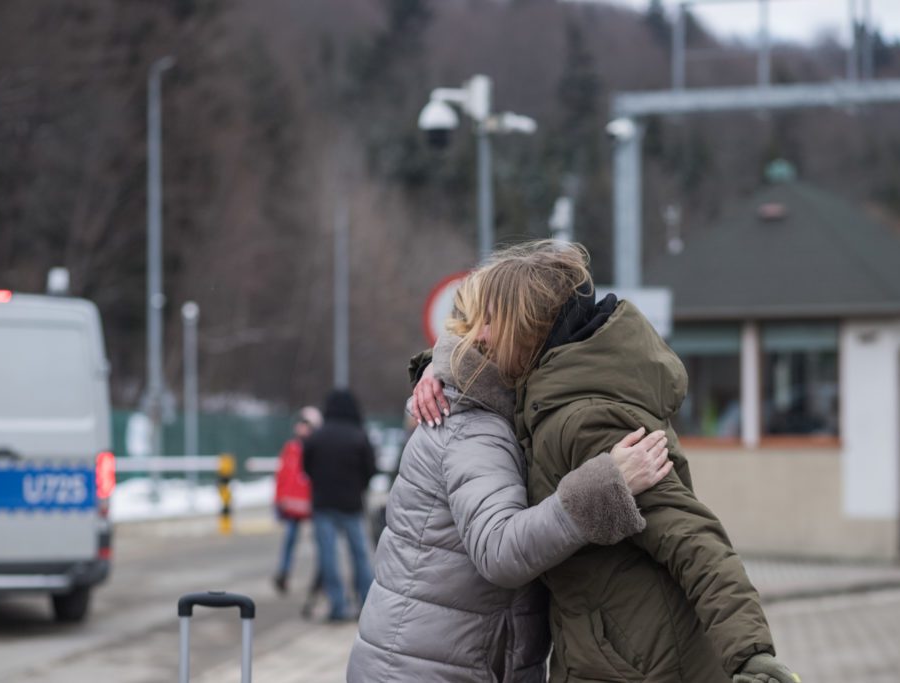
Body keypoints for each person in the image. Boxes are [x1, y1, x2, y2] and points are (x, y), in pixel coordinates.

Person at [410, 240, 800, 683]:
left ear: (529, 326)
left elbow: (692, 537)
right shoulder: (547, 395)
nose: (477, 336)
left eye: (490, 322)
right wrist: (437, 369)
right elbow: (488, 376)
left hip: (647, 664)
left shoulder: (585, 418)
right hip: (602, 655)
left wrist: (752, 658)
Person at [346, 270, 674, 682]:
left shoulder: (493, 410)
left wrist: (439, 366)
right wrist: (608, 486)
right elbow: (500, 549)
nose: (480, 334)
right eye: (478, 322)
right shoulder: (476, 428)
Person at [302, 389, 377, 622]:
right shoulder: (359, 435)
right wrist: (358, 487)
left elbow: (306, 466)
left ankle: (337, 605)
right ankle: (366, 602)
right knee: (360, 556)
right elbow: (371, 469)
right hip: (352, 504)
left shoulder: (318, 436)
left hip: (323, 503)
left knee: (328, 556)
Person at [272, 406, 322, 595]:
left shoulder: (316, 448)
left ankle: (320, 578)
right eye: (300, 424)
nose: (302, 428)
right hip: (292, 507)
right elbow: (282, 475)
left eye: (306, 425)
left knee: (320, 542)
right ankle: (283, 573)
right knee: (290, 541)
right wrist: (278, 500)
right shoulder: (291, 448)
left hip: (312, 505)